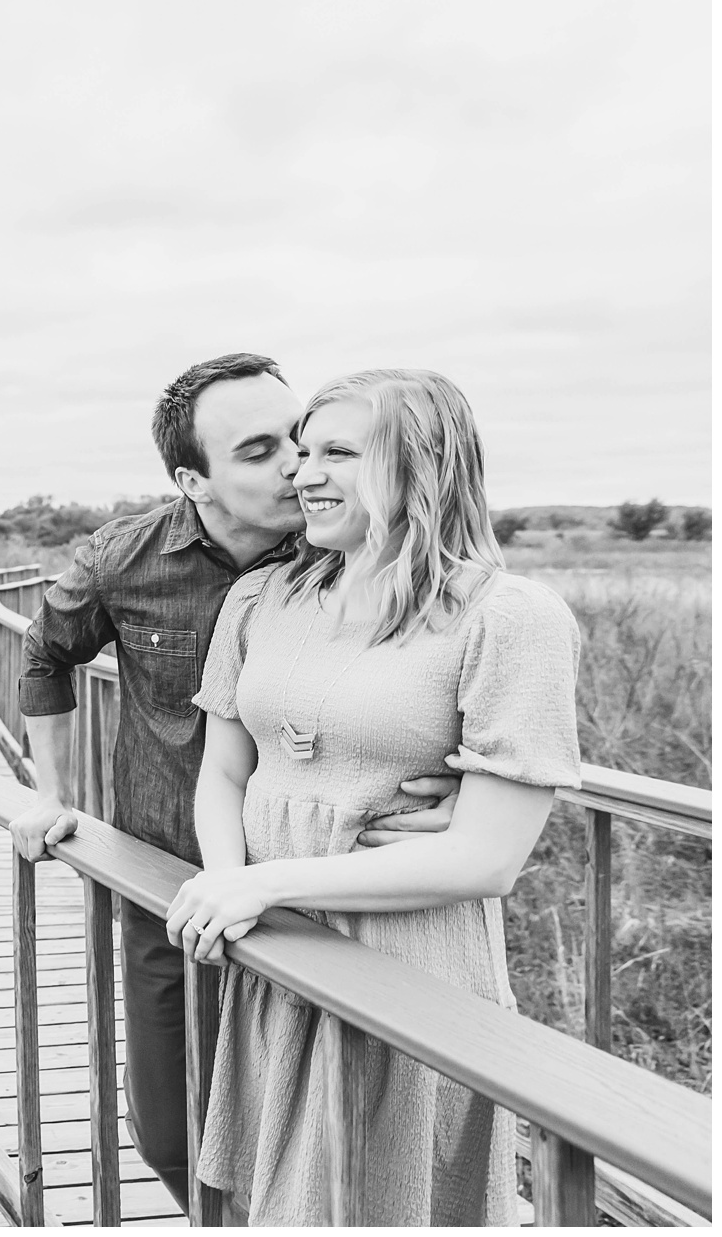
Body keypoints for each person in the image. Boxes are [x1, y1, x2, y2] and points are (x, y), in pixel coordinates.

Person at [8, 353, 460, 1212]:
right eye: (259, 450)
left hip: (323, 890)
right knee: (172, 1131)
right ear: (193, 479)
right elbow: (44, 653)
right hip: (172, 875)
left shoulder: (345, 544)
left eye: (300, 437)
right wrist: (48, 789)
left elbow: (436, 682)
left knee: (325, 1133)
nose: (298, 464)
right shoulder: (126, 558)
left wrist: (465, 793)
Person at [165, 368, 581, 1225]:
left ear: (421, 465)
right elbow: (225, 769)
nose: (302, 473)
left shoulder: (509, 617)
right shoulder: (262, 596)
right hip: (273, 951)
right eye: (302, 451)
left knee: (388, 1201)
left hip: (407, 959)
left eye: (338, 453)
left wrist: (265, 883)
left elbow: (488, 857)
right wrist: (227, 882)